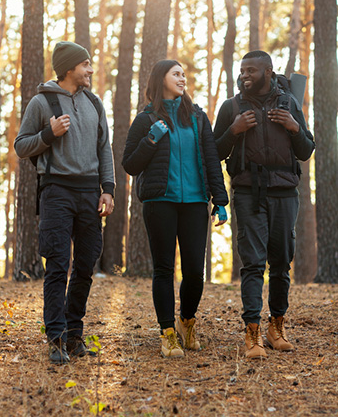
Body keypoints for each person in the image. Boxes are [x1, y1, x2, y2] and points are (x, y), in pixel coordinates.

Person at [14, 41, 115, 364]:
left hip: (89, 193)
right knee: (58, 266)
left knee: (85, 266)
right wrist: (49, 133)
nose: (90, 70)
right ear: (70, 68)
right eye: (85, 64)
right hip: (56, 192)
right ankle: (55, 338)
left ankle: (74, 336)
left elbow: (105, 149)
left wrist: (108, 189)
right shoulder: (42, 102)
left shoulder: (94, 103)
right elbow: (21, 146)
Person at [122, 59, 229, 357]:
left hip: (196, 202)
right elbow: (130, 164)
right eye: (176, 74)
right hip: (160, 202)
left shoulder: (196, 117)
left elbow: (210, 159)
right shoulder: (145, 119)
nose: (183, 78)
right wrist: (151, 139)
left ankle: (187, 322)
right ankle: (167, 333)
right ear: (161, 79)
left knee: (195, 271)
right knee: (164, 269)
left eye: (184, 74)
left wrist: (220, 200)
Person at [214, 50, 315, 359]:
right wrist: (235, 130)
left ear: (269, 72)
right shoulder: (231, 107)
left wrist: (293, 126)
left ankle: (277, 327)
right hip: (247, 194)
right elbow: (214, 150)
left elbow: (307, 149)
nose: (244, 75)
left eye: (251, 70)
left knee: (282, 263)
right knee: (253, 263)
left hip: (285, 193)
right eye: (242, 70)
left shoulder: (290, 104)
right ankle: (252, 332)